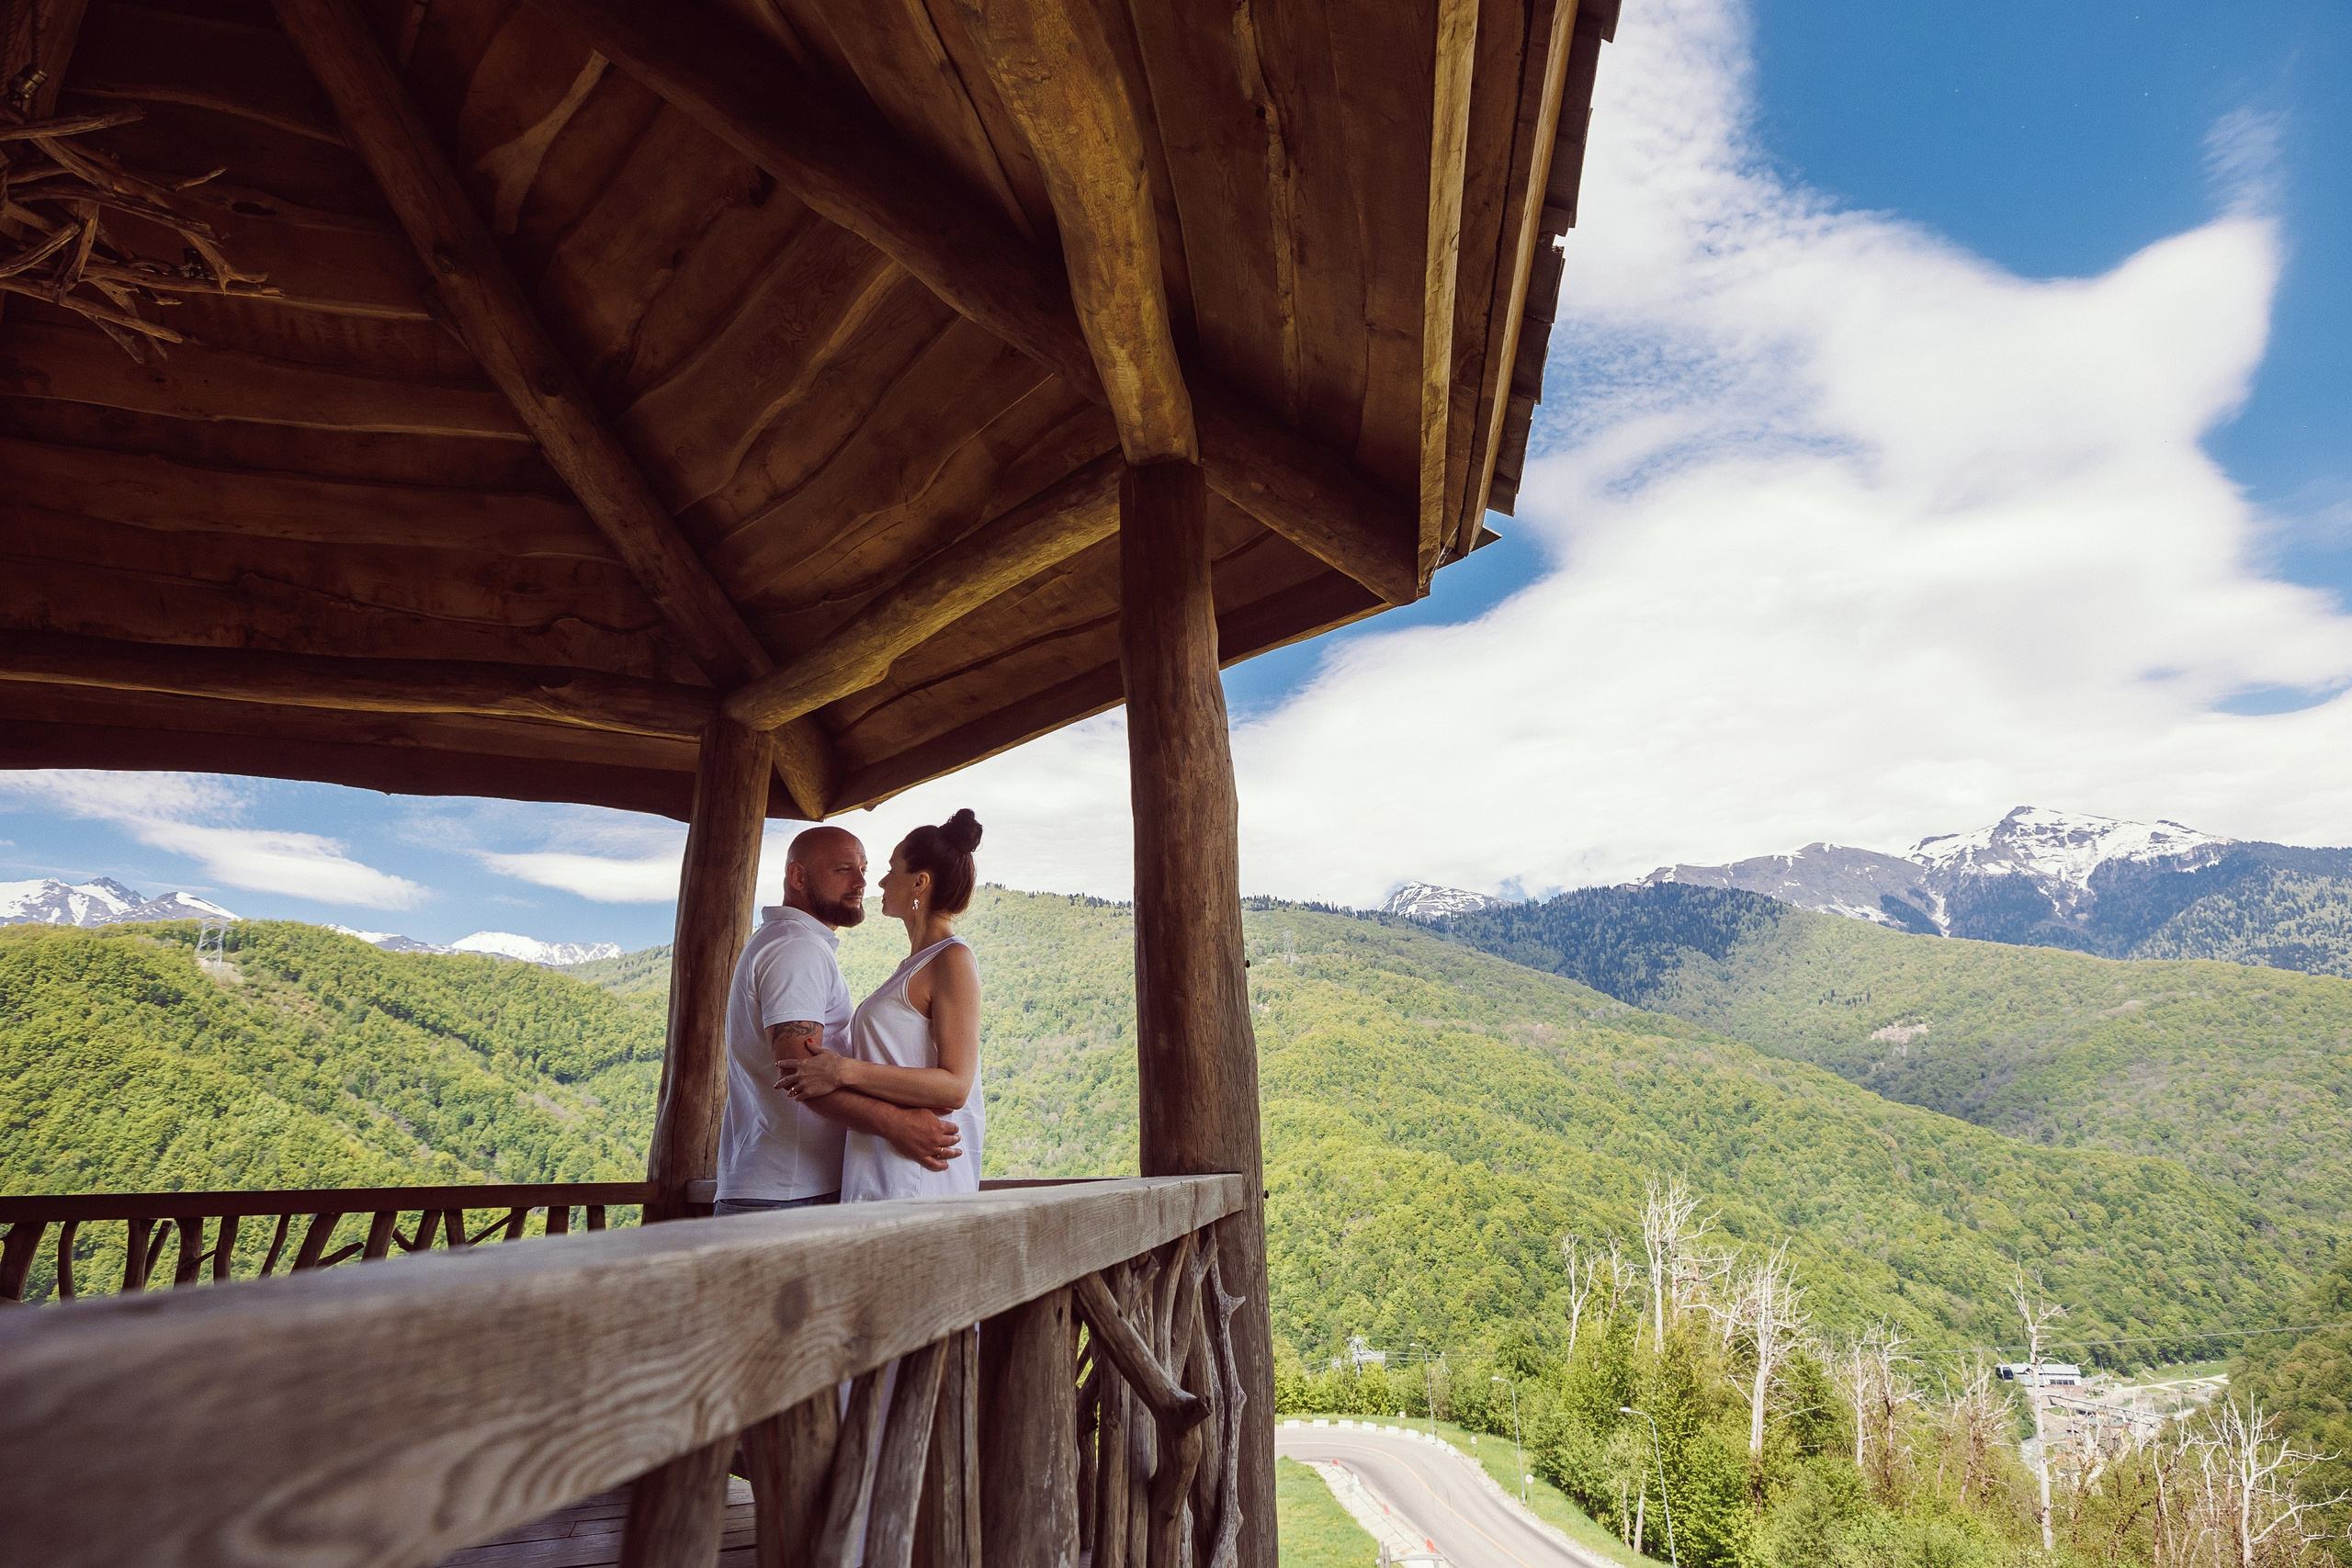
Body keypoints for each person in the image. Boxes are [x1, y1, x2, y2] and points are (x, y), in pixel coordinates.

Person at [712, 825, 962, 1216]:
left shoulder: (790, 942)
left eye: (863, 868)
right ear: (798, 877)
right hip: (789, 1193)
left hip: (784, 1187)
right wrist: (896, 1124)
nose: (862, 882)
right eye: (844, 869)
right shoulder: (796, 949)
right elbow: (801, 1069)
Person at [778, 809, 985, 1201]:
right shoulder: (911, 967)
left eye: (892, 870)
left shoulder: (953, 960)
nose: (881, 881)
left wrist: (844, 1071)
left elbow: (956, 1086)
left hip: (918, 1172)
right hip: (878, 1164)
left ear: (920, 883)